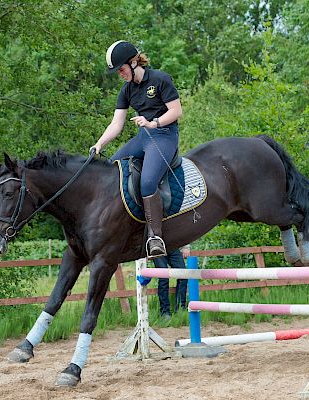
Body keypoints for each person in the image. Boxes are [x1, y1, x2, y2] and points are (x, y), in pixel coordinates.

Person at [91, 40, 183, 259]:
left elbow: (177, 111)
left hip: (165, 135)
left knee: (148, 182)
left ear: (133, 62)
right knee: (113, 168)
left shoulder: (160, 79)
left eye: (121, 69)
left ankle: (155, 237)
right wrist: (99, 144)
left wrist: (155, 123)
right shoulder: (127, 90)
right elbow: (116, 124)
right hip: (144, 137)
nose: (120, 74)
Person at [153, 244, 190, 319]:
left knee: (183, 275)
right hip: (157, 247)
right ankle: (165, 311)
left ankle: (180, 309)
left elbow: (181, 231)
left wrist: (186, 247)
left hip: (173, 246)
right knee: (164, 278)